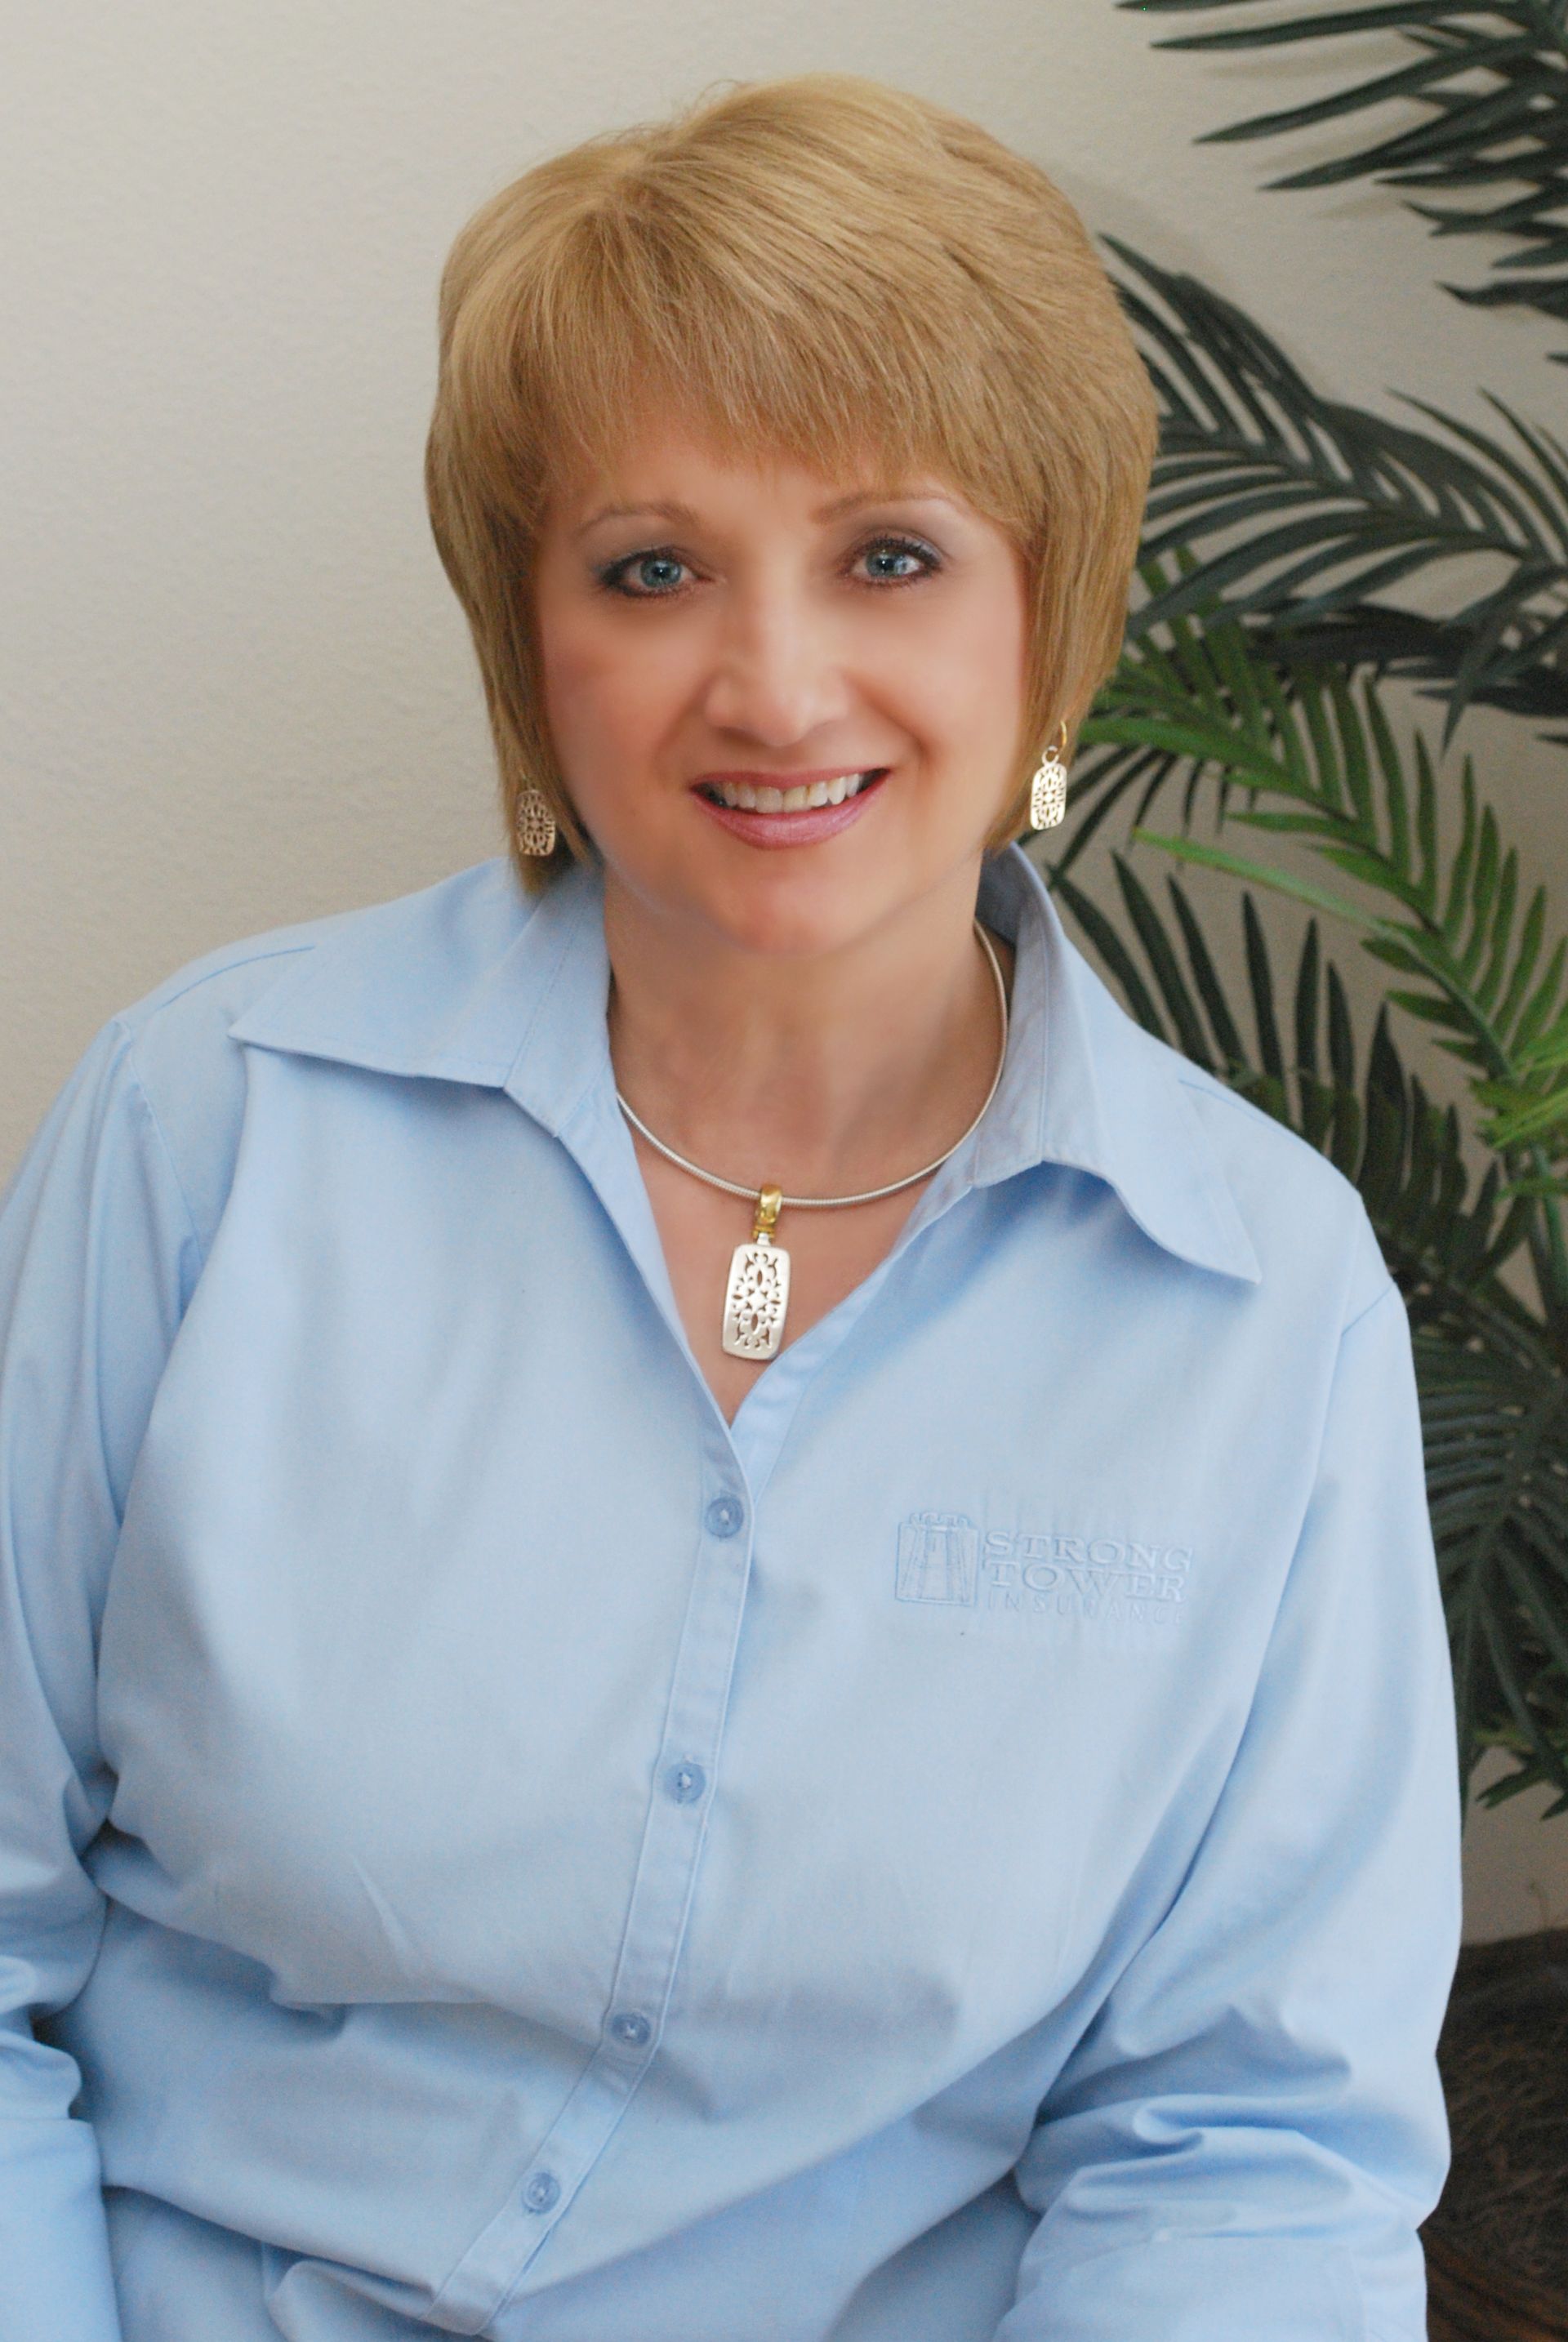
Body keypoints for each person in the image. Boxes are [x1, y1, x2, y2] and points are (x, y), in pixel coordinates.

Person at [0, 70, 1460, 2342]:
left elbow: (1245, 2158)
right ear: (530, 637)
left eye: (890, 553)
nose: (776, 684)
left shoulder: (1266, 1303)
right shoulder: (206, 1122)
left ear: (1046, 606)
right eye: (652, 566)